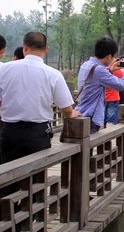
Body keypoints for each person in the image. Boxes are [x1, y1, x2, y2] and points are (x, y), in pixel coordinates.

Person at [0, 31, 79, 164]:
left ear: (24, 48)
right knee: (37, 179)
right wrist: (71, 113)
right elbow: (66, 108)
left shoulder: (4, 69)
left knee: (7, 177)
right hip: (37, 133)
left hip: (9, 132)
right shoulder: (53, 74)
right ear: (46, 49)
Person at [75, 37, 124, 134]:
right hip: (90, 116)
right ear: (109, 56)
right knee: (88, 147)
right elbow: (122, 85)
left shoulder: (86, 64)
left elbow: (94, 79)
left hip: (81, 112)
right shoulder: (99, 70)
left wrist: (110, 70)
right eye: (113, 56)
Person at [104, 57, 124, 126]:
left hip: (103, 98)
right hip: (113, 98)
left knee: (102, 119)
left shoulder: (101, 70)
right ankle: (111, 134)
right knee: (111, 120)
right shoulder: (116, 71)